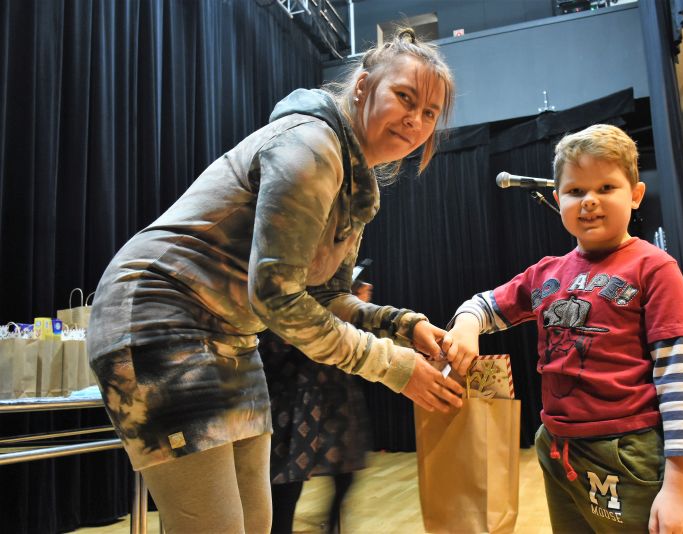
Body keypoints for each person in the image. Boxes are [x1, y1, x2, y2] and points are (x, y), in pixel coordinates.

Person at [87, 28, 463, 533]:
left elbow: (325, 296)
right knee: (213, 526)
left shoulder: (356, 186)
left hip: (230, 336)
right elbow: (278, 298)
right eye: (405, 97)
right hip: (161, 315)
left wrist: (401, 325)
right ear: (362, 87)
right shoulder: (312, 145)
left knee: (257, 522)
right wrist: (393, 367)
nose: (416, 120)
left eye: (431, 112)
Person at [443, 124, 683, 533]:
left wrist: (681, 484)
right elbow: (484, 304)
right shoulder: (546, 272)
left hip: (627, 450)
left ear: (635, 194)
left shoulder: (654, 268)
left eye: (606, 187)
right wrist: (465, 326)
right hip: (557, 447)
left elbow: (680, 377)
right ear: (557, 199)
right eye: (575, 191)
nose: (589, 201)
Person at [265, 278, 375, 534]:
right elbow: (274, 345)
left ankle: (332, 526)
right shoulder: (281, 295)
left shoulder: (332, 298)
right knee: (286, 485)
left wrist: (353, 307)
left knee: (344, 474)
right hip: (292, 398)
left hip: (332, 395)